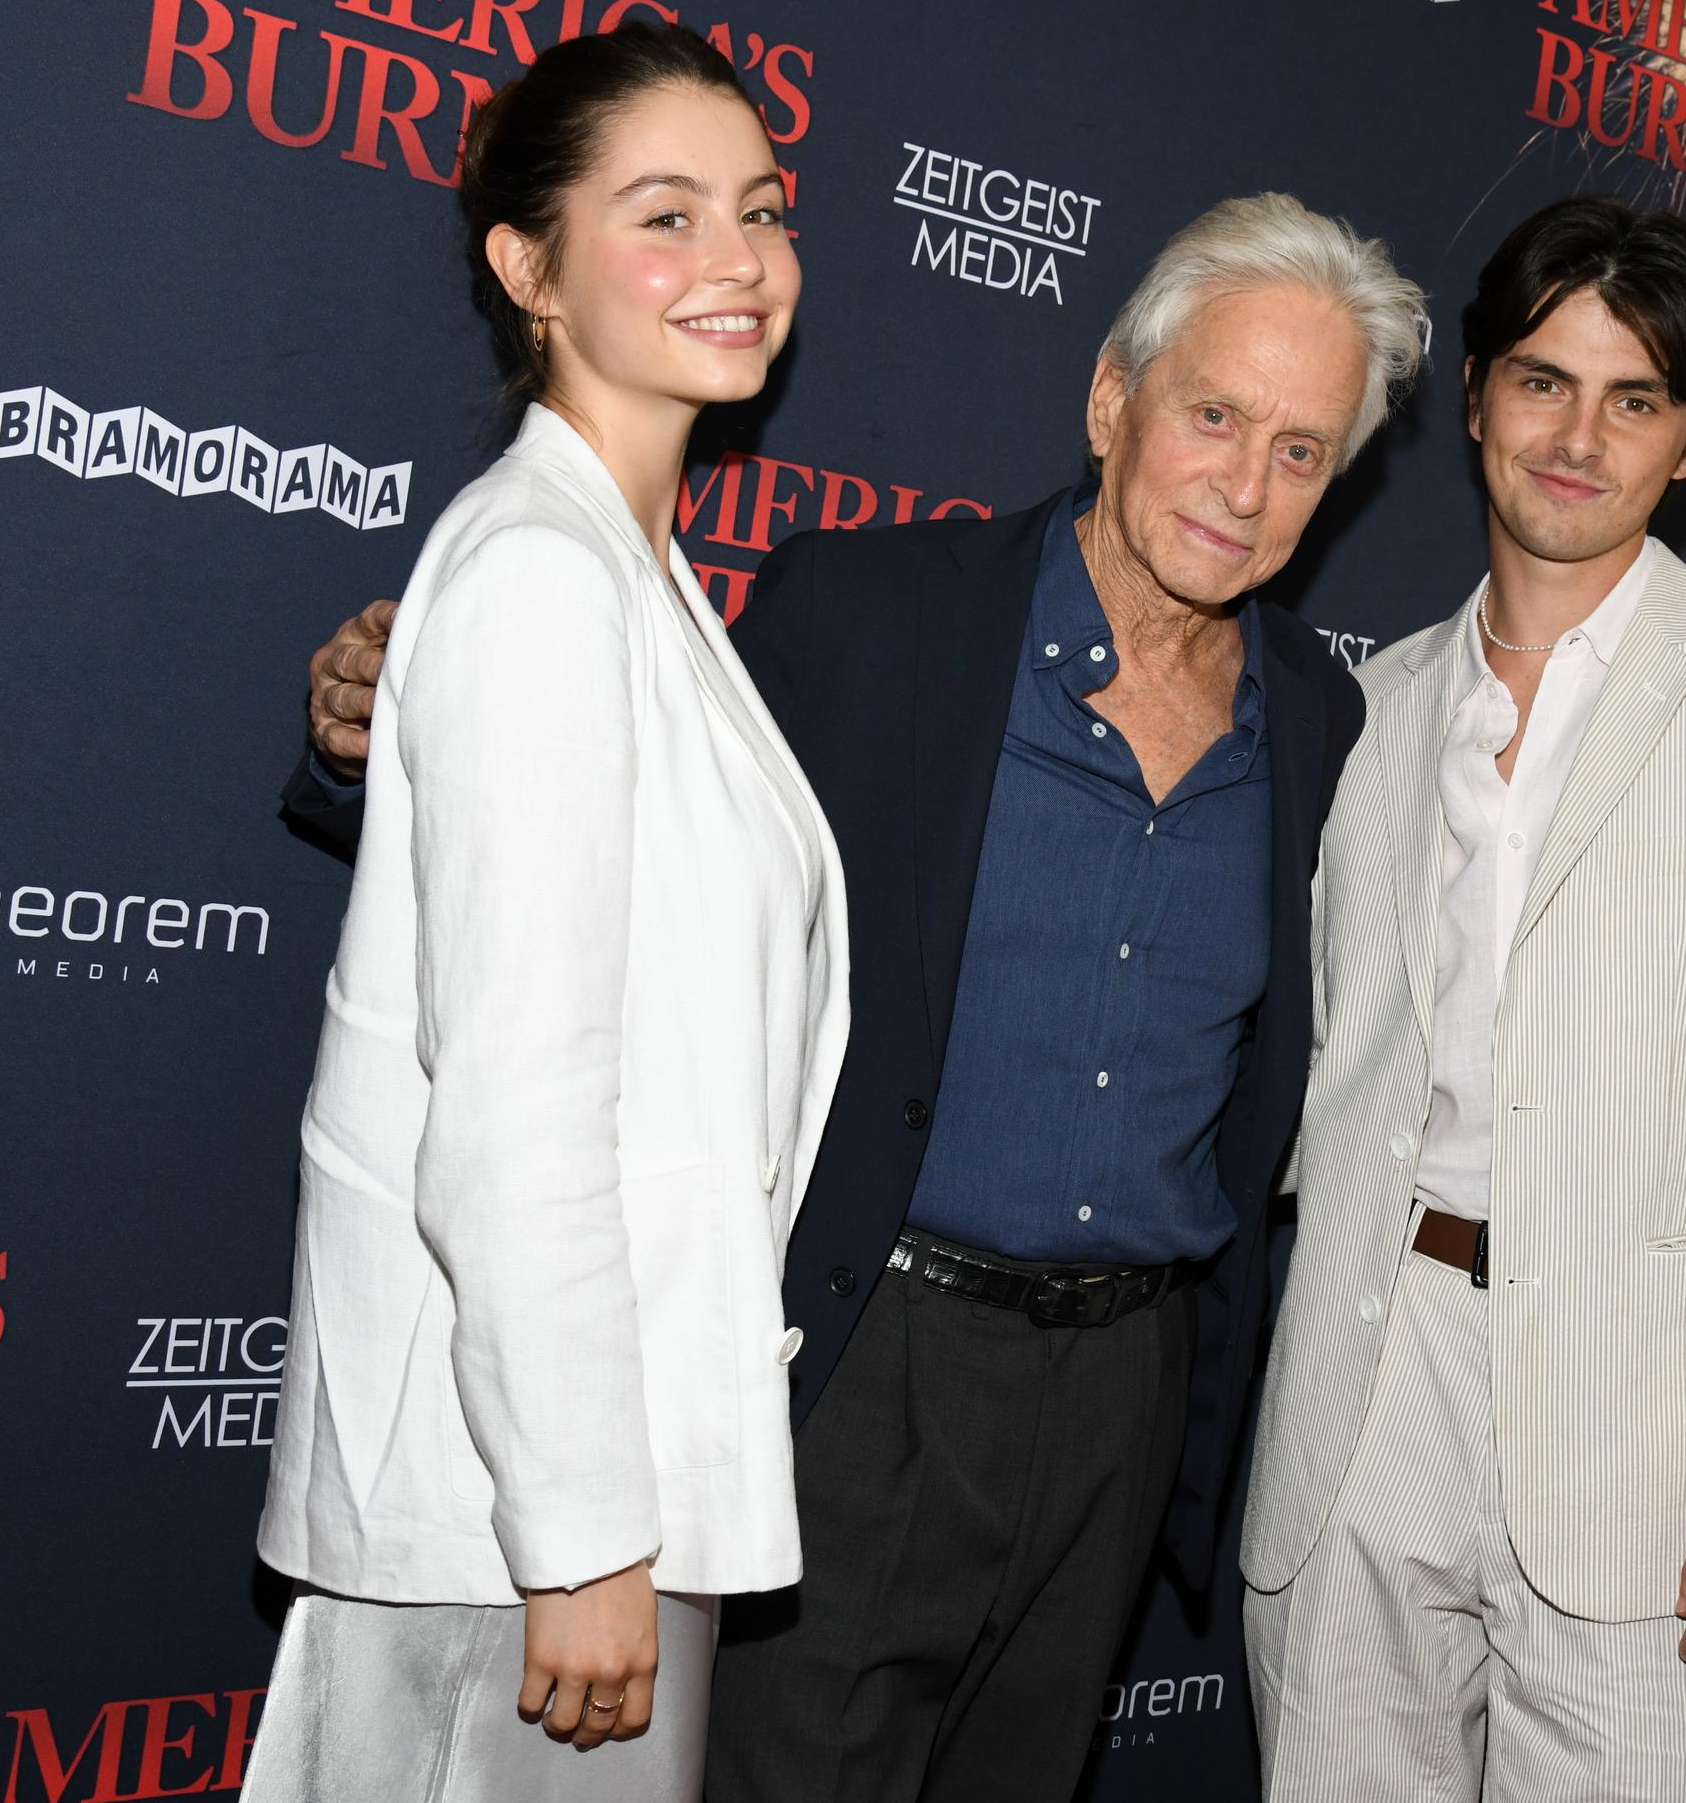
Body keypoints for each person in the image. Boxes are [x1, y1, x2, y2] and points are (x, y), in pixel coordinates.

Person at [284, 193, 1424, 1801]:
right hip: (864, 1353)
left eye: (1303, 451)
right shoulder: (882, 614)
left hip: (1123, 1395)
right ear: (1114, 401)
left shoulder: (1321, 718)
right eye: (1215, 415)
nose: (1245, 485)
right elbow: (644, 837)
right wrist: (376, 745)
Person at [1238, 195, 1686, 1801]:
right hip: (1369, 1375)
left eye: (1636, 400)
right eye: (1544, 380)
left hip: (1652, 1428)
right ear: (1473, 392)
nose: (1578, 435)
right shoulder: (1374, 704)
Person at [245, 24, 848, 1802]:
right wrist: (582, 1534)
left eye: (762, 209)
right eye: (663, 215)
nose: (735, 261)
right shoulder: (535, 577)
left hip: (582, 1487)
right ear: (531, 267)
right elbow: (510, 1114)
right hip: (521, 1514)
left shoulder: (627, 575)